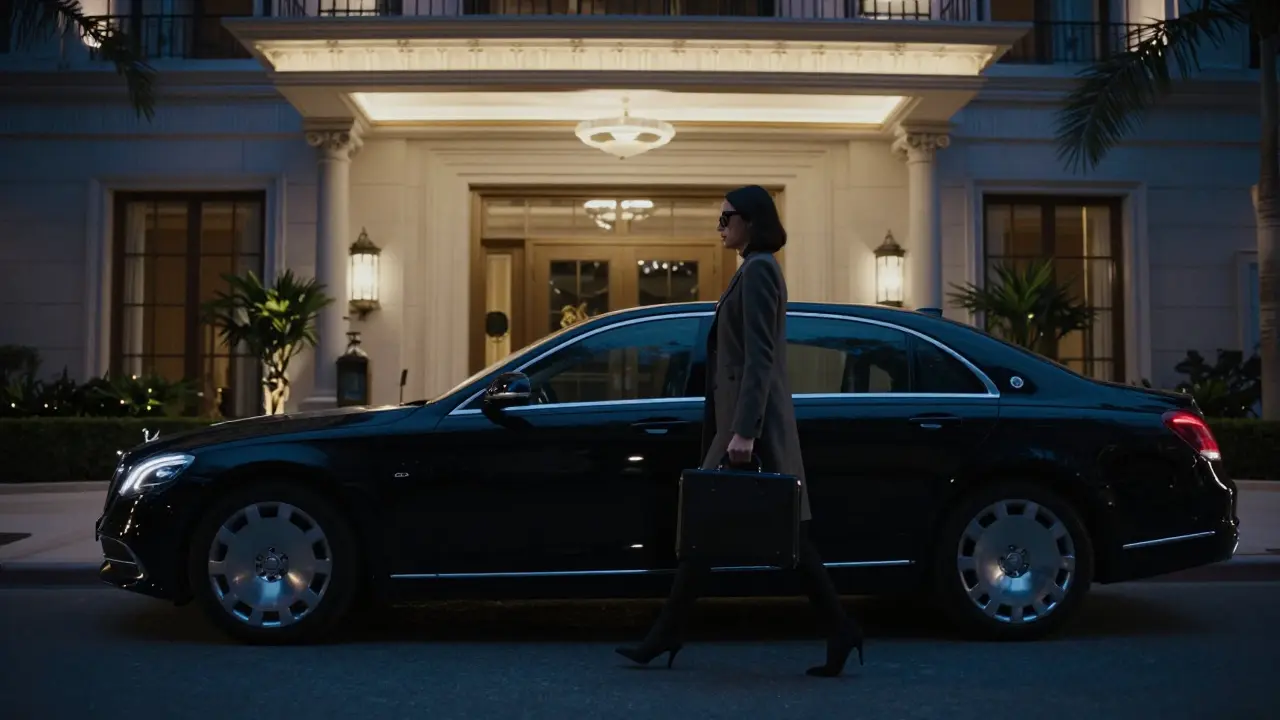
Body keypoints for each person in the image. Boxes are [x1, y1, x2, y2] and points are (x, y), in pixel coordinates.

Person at [614, 184, 865, 677]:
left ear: (751, 220)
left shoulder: (760, 271)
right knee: (760, 531)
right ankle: (838, 630)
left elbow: (761, 357)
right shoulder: (751, 270)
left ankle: (666, 636)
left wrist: (745, 431)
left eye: (727, 217)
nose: (720, 226)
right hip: (742, 421)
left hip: (752, 426)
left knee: (753, 530)